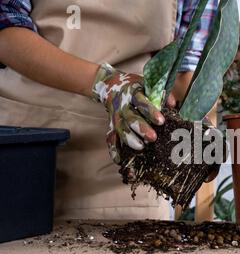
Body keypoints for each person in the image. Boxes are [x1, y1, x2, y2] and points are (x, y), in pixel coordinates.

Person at [0, 0, 218, 220]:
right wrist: (105, 83)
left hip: (131, 162)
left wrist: (195, 122)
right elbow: (6, 30)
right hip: (27, 152)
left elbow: (184, 71)